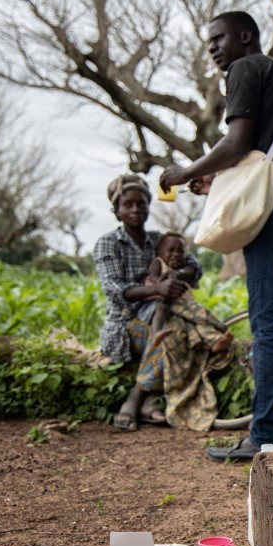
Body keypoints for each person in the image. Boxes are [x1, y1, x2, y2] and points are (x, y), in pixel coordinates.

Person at [160, 11, 273, 461]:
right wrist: (214, 179)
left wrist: (184, 172)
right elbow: (268, 151)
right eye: (208, 41)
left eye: (218, 38)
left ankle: (265, 435)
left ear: (245, 36)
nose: (213, 48)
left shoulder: (245, 69)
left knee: (268, 323)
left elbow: (237, 145)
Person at [93, 175, 199, 431]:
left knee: (174, 328)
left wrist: (175, 275)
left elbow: (195, 265)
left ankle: (148, 400)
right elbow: (114, 289)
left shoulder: (157, 240)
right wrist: (158, 288)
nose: (135, 210)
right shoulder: (108, 243)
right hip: (125, 325)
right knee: (172, 332)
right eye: (127, 205)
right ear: (116, 211)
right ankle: (136, 399)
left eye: (141, 204)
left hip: (159, 317)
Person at [144, 232, 233, 355]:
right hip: (162, 300)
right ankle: (156, 333)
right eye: (171, 250)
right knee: (163, 309)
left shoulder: (184, 268)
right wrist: (160, 283)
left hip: (181, 303)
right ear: (159, 252)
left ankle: (215, 340)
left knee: (196, 325)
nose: (176, 254)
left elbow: (194, 269)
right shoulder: (159, 263)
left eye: (180, 251)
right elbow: (153, 276)